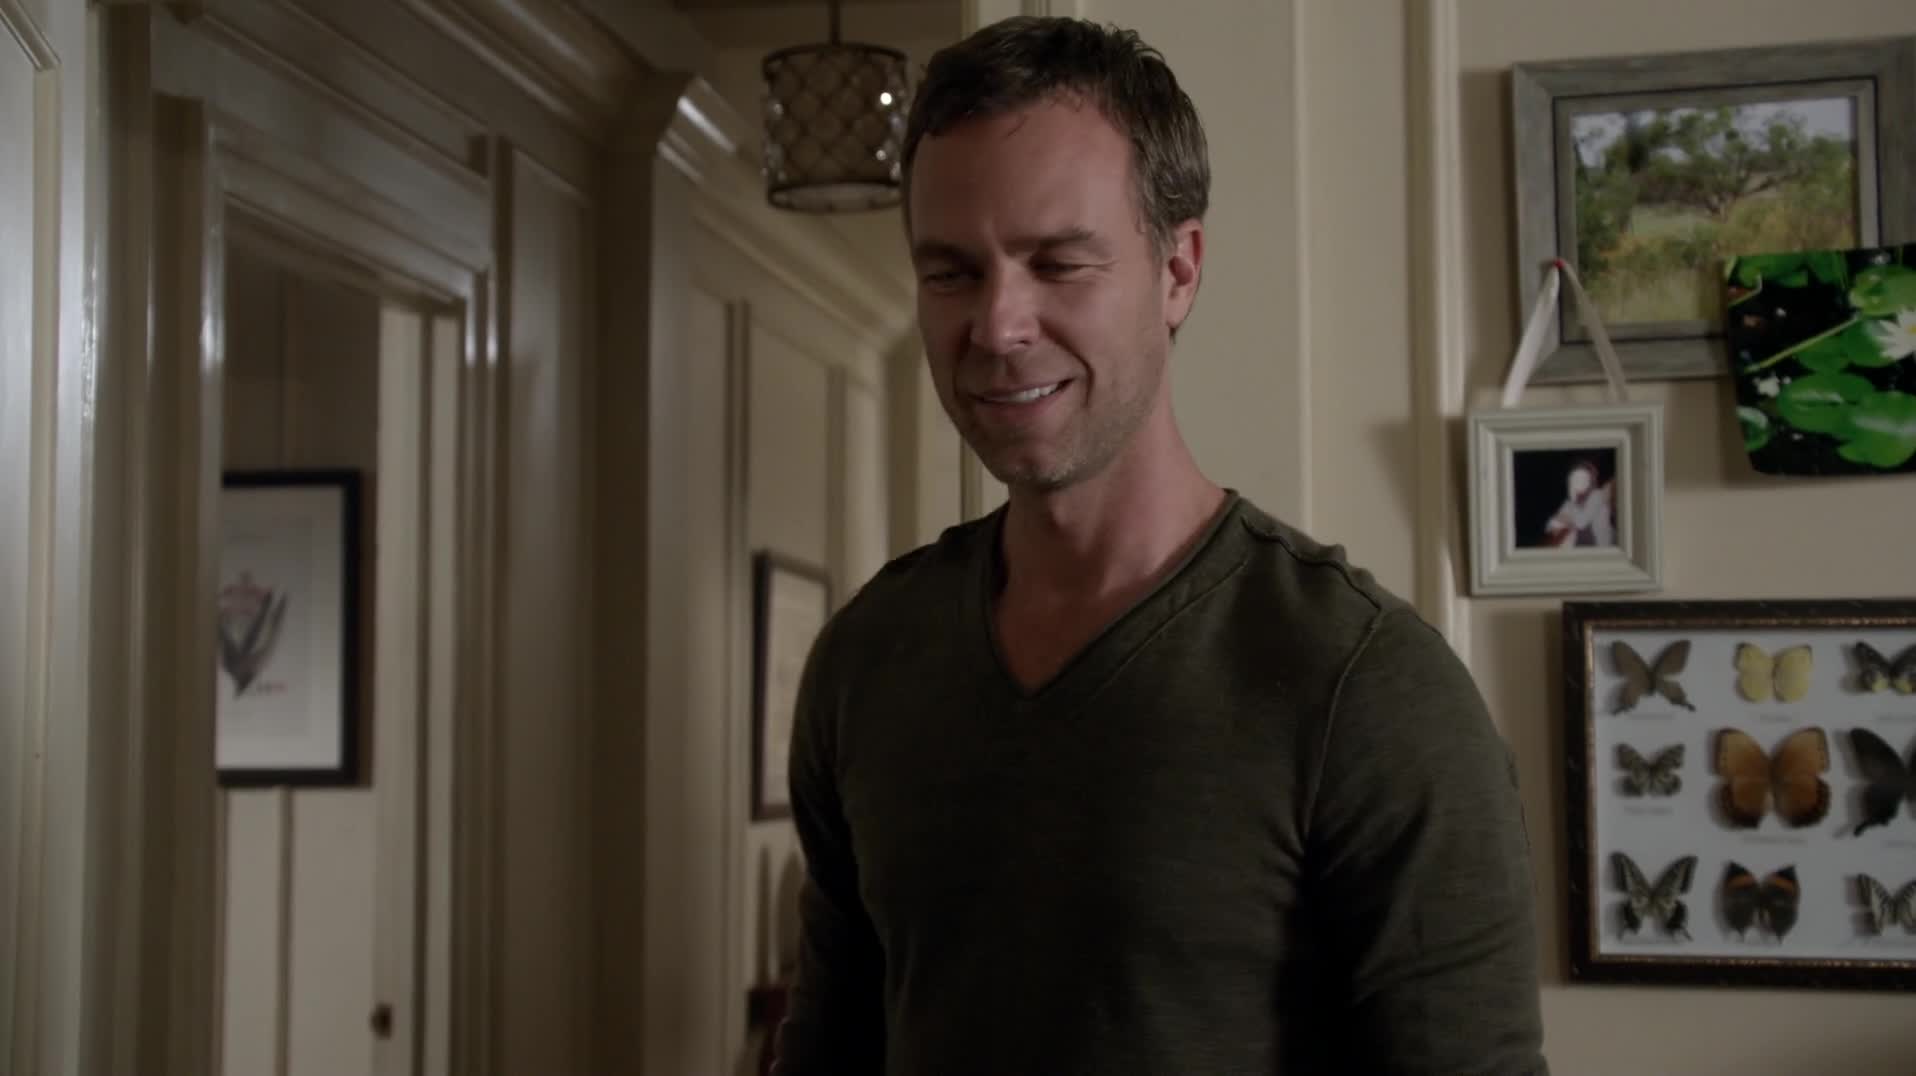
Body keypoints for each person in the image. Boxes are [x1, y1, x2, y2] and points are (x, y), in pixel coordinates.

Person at [772, 15, 1548, 1075]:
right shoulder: (867, 657)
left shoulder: (1364, 690)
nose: (997, 325)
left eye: (1058, 263)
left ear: (1178, 269)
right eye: (950, 273)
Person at [1542, 458, 1615, 547]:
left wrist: (1566, 519)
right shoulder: (1571, 501)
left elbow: (1580, 523)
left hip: (1600, 546)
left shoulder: (1597, 495)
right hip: (1581, 543)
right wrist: (1554, 525)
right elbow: (1551, 525)